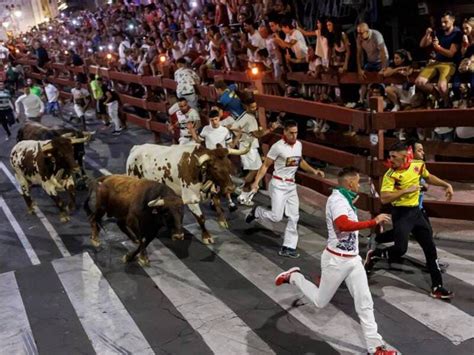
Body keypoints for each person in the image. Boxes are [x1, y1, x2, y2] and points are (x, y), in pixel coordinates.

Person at [274, 167, 396, 355]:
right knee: (319, 302)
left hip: (353, 260)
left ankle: (376, 348)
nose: (359, 185)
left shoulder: (346, 198)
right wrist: (373, 222)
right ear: (349, 183)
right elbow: (343, 225)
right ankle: (294, 277)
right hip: (336, 261)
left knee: (365, 303)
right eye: (357, 182)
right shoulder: (337, 201)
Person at [365, 142, 454, 299]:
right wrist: (406, 190)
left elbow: (428, 177)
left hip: (416, 213)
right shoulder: (390, 175)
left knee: (430, 249)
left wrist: (446, 184)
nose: (390, 159)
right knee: (400, 250)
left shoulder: (418, 165)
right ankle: (376, 254)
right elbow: (385, 198)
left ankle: (437, 287)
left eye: (394, 156)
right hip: (401, 213)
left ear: (405, 156)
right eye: (389, 156)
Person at [246, 119, 325, 258]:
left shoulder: (298, 145)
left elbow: (300, 161)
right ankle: (257, 211)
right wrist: (256, 182)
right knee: (276, 217)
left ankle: (288, 247)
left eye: (296, 133)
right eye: (291, 133)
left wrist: (313, 171)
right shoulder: (277, 147)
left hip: (291, 185)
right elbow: (265, 166)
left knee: (294, 217)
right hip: (278, 184)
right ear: (285, 132)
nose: (294, 136)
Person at [415, 11, 462, 108]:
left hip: (449, 63)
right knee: (419, 82)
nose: (443, 24)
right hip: (436, 62)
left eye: (446, 22)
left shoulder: (457, 33)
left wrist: (438, 48)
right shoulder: (439, 31)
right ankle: (438, 97)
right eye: (442, 22)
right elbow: (422, 45)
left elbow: (450, 54)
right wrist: (427, 34)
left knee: (442, 86)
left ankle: (446, 103)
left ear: (452, 21)